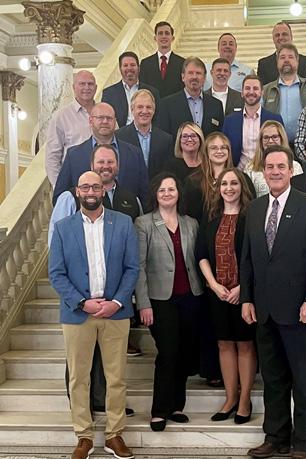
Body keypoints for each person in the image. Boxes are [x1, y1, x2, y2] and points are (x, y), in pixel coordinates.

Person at [240, 145, 306, 459]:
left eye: (281, 166)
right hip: (264, 311)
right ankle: (275, 437)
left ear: (291, 171)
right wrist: (247, 299)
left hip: (300, 311)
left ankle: (303, 442)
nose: (275, 171)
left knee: (304, 379)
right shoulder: (255, 209)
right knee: (273, 379)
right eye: (270, 167)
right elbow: (248, 259)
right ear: (263, 172)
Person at [49, 171, 139, 459]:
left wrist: (117, 302)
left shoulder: (123, 223)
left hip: (115, 313)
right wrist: (82, 302)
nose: (90, 191)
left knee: (116, 377)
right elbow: (56, 274)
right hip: (78, 315)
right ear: (77, 191)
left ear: (103, 190)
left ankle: (114, 434)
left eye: (95, 187)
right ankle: (83, 436)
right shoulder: (63, 228)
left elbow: (132, 268)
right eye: (85, 187)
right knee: (79, 378)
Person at [134, 172, 204, 432]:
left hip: (190, 297)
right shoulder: (143, 223)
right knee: (168, 352)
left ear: (178, 193)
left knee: (184, 352)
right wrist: (143, 303)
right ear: (156, 194)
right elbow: (139, 266)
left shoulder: (191, 223)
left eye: (171, 189)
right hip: (159, 300)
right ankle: (159, 410)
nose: (166, 193)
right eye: (162, 189)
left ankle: (176, 406)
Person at [196, 168, 257, 424]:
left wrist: (242, 288)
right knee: (223, 344)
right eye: (224, 184)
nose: (229, 188)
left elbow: (257, 256)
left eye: (234, 183)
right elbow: (201, 254)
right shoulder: (211, 218)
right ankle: (230, 398)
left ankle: (245, 400)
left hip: (244, 294)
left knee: (245, 344)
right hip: (218, 294)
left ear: (242, 187)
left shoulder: (251, 216)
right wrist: (213, 285)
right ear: (218, 189)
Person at [53, 103, 149, 208]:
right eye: (100, 118)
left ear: (115, 121)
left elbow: (145, 195)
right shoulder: (74, 155)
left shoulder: (134, 153)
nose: (105, 121)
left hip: (127, 215)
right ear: (91, 121)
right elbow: (60, 198)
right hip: (85, 216)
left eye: (109, 118)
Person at [183, 132, 255, 222]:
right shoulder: (193, 181)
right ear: (206, 152)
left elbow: (251, 209)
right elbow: (189, 214)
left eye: (223, 147)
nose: (219, 151)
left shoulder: (243, 178)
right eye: (214, 148)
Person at [262, 43, 306, 149]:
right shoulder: (266, 90)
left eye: (290, 57)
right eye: (282, 57)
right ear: (277, 62)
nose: (286, 60)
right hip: (276, 147)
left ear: (297, 61)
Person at [45, 70, 96, 187]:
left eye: (90, 84)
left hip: (102, 182)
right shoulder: (61, 117)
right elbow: (52, 158)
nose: (86, 87)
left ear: (96, 87)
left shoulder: (105, 113)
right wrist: (60, 189)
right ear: (74, 87)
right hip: (73, 182)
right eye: (82, 84)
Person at [222, 75, 283, 170]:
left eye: (255, 88)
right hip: (239, 173)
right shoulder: (229, 121)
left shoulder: (274, 119)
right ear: (242, 93)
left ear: (262, 92)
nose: (251, 92)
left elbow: (282, 148)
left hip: (267, 172)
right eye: (247, 88)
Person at [158, 56, 224, 138]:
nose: (194, 77)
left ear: (204, 78)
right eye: (190, 73)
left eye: (198, 73)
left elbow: (219, 136)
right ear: (183, 77)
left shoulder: (216, 105)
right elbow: (164, 137)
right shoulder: (167, 105)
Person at [115, 89, 175, 179]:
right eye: (140, 107)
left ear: (154, 110)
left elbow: (167, 172)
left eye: (148, 107)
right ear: (132, 109)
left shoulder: (166, 139)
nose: (144, 111)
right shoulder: (119, 137)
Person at [244, 120, 303, 197]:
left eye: (274, 137)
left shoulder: (295, 166)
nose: (270, 141)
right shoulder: (250, 168)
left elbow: (299, 195)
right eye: (266, 137)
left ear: (282, 138)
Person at [101, 51, 160, 128]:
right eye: (125, 65)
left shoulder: (152, 92)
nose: (129, 68)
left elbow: (157, 118)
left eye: (132, 65)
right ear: (120, 69)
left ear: (138, 68)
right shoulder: (109, 93)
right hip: (119, 134)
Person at [139, 21, 185, 98]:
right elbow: (142, 90)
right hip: (153, 105)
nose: (164, 36)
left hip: (175, 104)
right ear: (155, 38)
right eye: (160, 33)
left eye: (167, 33)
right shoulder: (145, 64)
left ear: (172, 38)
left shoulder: (182, 63)